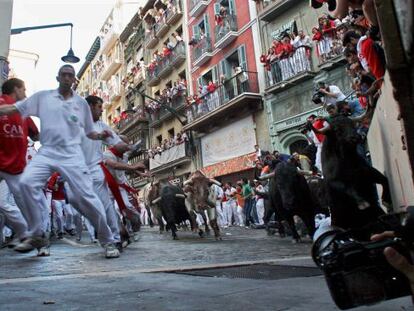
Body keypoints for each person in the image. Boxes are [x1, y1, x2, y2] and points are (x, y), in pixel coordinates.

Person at [0, 65, 120, 258]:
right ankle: (36, 233)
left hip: (71, 155)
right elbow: (14, 108)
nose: (66, 78)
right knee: (25, 183)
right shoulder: (42, 97)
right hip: (47, 152)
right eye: (63, 74)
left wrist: (100, 136)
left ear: (74, 80)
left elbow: (90, 132)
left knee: (89, 199)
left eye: (70, 75)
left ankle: (109, 241)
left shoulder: (81, 104)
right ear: (57, 77)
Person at [0, 78, 40, 252]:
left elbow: (36, 136)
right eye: (23, 89)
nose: (25, 93)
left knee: (11, 202)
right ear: (15, 89)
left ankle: (29, 235)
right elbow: (37, 136)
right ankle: (29, 234)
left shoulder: (23, 110)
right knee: (21, 202)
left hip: (13, 166)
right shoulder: (22, 110)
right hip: (14, 165)